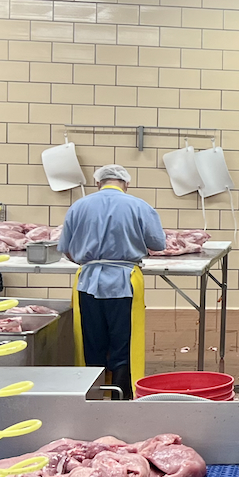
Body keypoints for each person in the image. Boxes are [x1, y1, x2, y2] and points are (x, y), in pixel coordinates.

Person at [58, 164, 166, 399]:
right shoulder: (138, 206)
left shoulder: (79, 206)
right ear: (125, 183)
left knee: (91, 342)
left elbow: (65, 249)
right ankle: (122, 397)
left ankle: (93, 396)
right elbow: (158, 243)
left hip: (87, 282)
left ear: (98, 182)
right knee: (123, 342)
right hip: (124, 281)